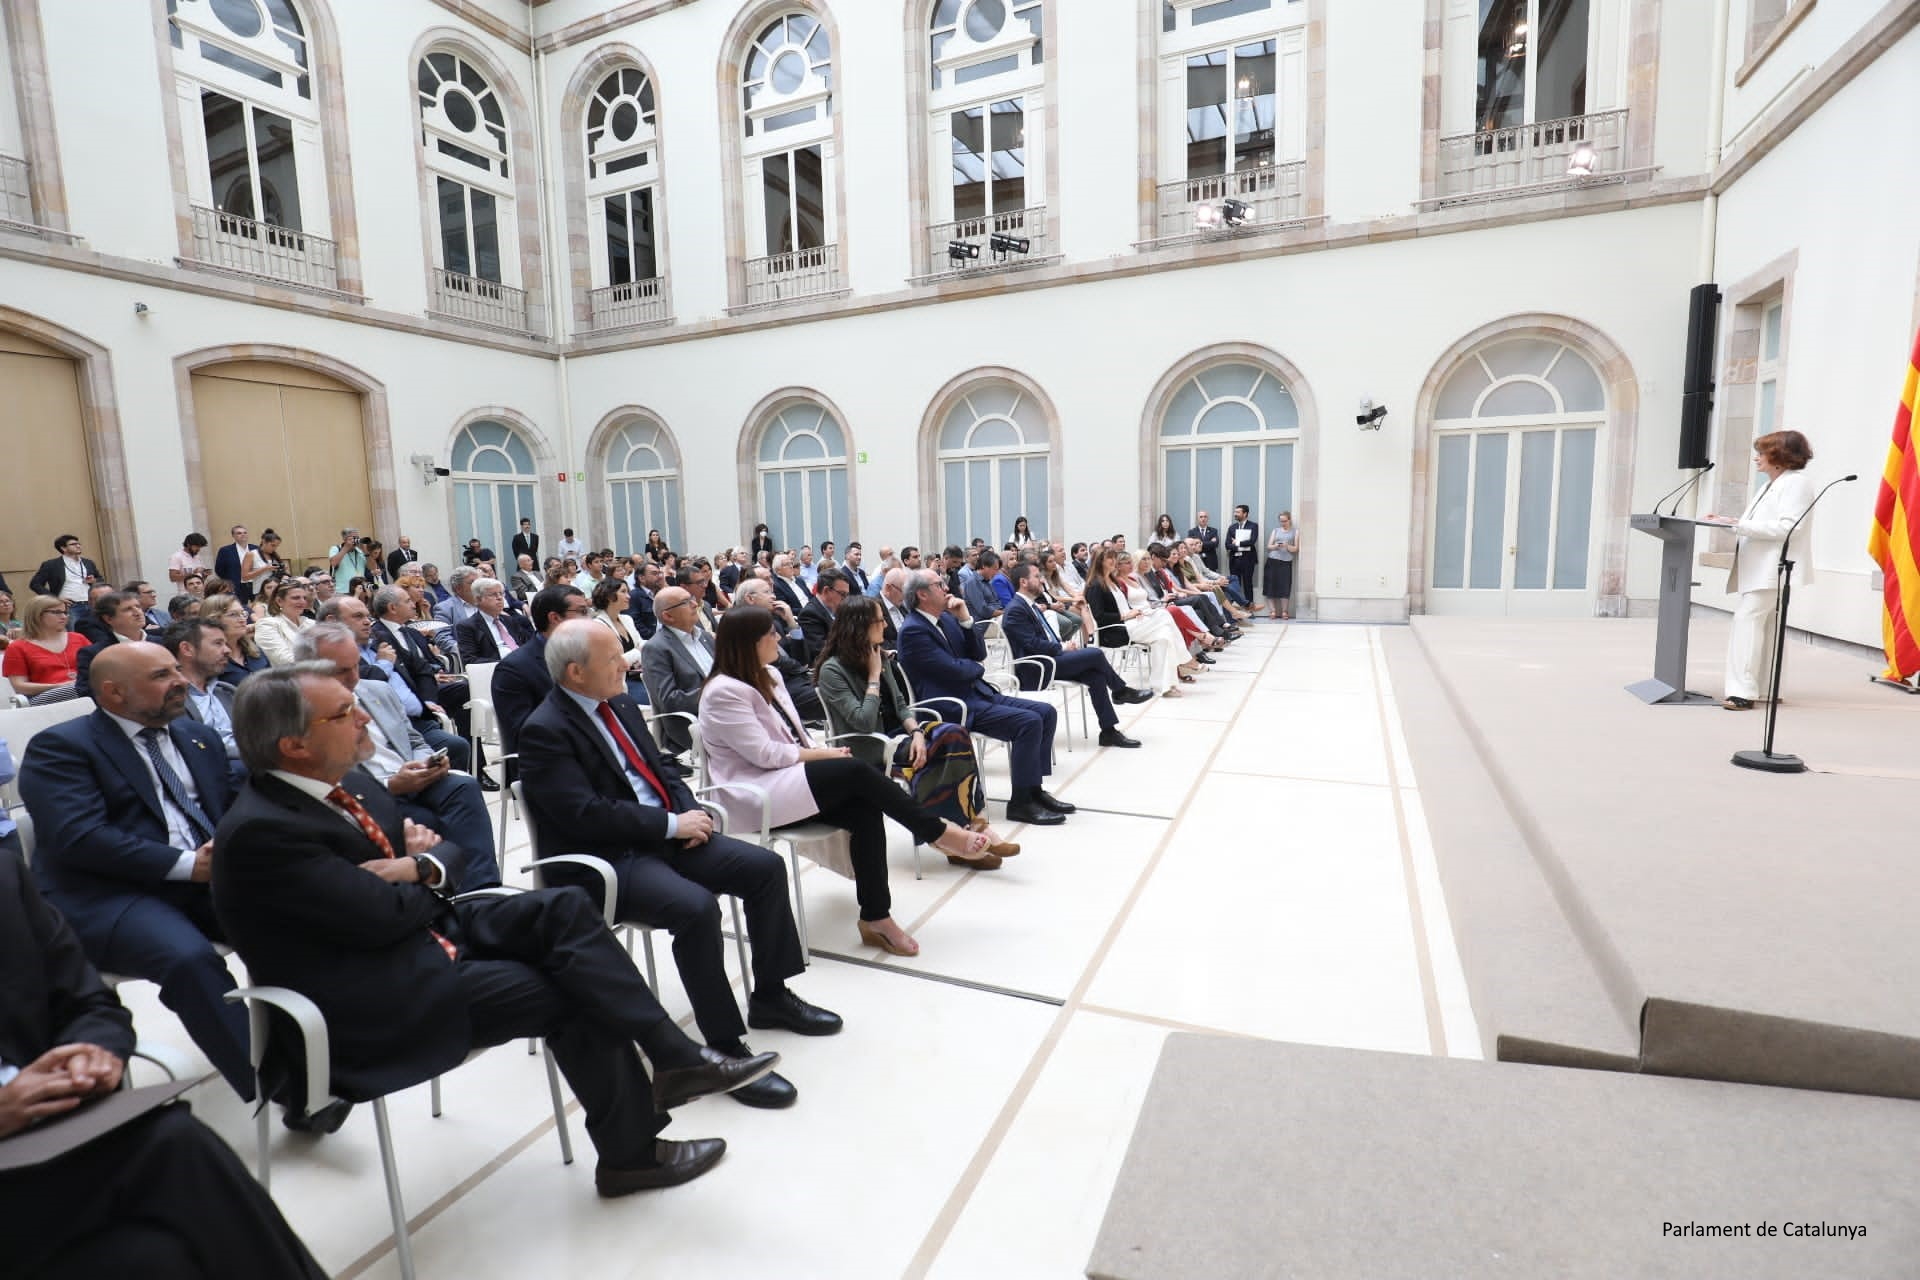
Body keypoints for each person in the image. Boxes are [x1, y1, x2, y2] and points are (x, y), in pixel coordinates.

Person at [212, 664, 775, 1192]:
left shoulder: (352, 784)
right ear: (294, 746)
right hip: (373, 993)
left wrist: (418, 870)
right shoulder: (265, 833)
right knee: (570, 990)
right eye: (342, 712)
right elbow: (383, 916)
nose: (363, 717)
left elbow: (449, 859)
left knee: (562, 909)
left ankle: (675, 1056)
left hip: (423, 934)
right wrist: (422, 870)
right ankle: (632, 1156)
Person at [520, 623, 840, 1107]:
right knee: (695, 909)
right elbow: (584, 815)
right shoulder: (545, 729)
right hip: (609, 856)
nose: (626, 665)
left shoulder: (621, 704)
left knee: (763, 869)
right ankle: (723, 1048)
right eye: (613, 658)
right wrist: (670, 826)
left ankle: (771, 995)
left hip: (662, 834)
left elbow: (663, 767)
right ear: (575, 671)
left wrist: (693, 811)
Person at [0, 852, 330, 1278]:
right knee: (173, 1150)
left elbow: (91, 1005)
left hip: (42, 1146)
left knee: (159, 1253)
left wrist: (88, 1053)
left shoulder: (4, 876)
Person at [17, 643, 251, 1097]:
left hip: (201, 879)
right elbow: (79, 838)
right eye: (161, 675)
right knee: (189, 959)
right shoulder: (62, 747)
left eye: (176, 670)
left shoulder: (193, 737)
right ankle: (282, 1086)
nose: (180, 681)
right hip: (109, 894)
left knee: (291, 916)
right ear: (115, 693)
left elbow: (227, 808)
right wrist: (188, 866)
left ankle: (322, 1045)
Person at [699, 608, 997, 957]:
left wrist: (821, 753)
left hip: (786, 777)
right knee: (854, 769)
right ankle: (938, 832)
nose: (779, 639)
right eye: (771, 634)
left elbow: (794, 737)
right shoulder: (723, 691)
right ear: (750, 643)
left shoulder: (769, 675)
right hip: (755, 793)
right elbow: (765, 754)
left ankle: (876, 916)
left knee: (864, 808)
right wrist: (823, 755)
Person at [813, 596, 1019, 860]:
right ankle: (954, 837)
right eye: (879, 620)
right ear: (859, 626)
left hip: (900, 737)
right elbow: (862, 721)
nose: (885, 624)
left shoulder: (879, 654)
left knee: (954, 733)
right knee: (941, 749)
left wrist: (917, 733)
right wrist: (874, 676)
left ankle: (970, 827)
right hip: (871, 746)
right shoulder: (834, 670)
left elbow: (900, 706)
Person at [296, 625, 498, 891]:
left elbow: (414, 739)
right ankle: (457, 895)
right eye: (341, 671)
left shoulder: (377, 689)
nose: (354, 677)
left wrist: (426, 762)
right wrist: (390, 785)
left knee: (463, 786)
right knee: (428, 821)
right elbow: (328, 775)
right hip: (369, 793)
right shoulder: (304, 710)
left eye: (357, 665)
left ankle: (483, 891)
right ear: (308, 670)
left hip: (412, 775)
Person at [894, 570, 1073, 828]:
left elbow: (977, 652)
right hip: (951, 706)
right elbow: (957, 669)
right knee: (1029, 722)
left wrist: (966, 619)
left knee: (1046, 712)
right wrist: (976, 667)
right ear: (922, 594)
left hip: (976, 693)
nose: (946, 587)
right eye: (939, 584)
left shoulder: (946, 618)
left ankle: (1034, 788)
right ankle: (1021, 801)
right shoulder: (913, 631)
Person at [1705, 429, 1820, 710]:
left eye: (1762, 452)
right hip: (1760, 568)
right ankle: (1766, 688)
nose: (1757, 459)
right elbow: (1764, 522)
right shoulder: (1772, 484)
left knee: (1748, 621)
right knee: (1765, 626)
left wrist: (1739, 526)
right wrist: (1730, 520)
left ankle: (1742, 692)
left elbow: (1789, 527)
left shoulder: (1795, 484)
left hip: (1772, 569)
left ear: (1779, 456)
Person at [1002, 562, 1148, 746]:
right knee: (1094, 654)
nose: (1041, 580)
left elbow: (1041, 638)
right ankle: (1120, 691)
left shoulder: (1028, 605)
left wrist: (1062, 645)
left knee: (1095, 676)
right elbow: (1031, 644)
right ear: (1023, 582)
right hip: (1036, 668)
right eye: (1037, 577)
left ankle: (1108, 732)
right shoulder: (1016, 609)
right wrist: (1062, 648)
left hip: (1050, 660)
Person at [1085, 547, 1196, 697]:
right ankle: (1185, 659)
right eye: (1109, 558)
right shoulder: (1095, 586)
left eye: (1113, 557)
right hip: (1114, 631)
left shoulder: (1112, 581)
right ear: (1100, 562)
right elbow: (1100, 617)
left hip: (1131, 624)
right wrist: (1125, 616)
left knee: (1164, 637)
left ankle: (1163, 687)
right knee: (1163, 615)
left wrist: (1135, 613)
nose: (1113, 561)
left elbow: (1124, 605)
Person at [640, 586, 713, 757]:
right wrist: (715, 691)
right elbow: (669, 700)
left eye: (692, 599)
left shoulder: (705, 637)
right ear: (667, 615)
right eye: (686, 602)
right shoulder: (656, 648)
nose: (695, 604)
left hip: (725, 708)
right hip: (693, 721)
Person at [73, 590, 156, 699]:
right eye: (128, 609)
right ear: (108, 619)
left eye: (138, 607)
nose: (138, 612)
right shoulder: (94, 653)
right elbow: (87, 692)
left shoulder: (163, 643)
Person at [4, 596, 88, 703]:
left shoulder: (78, 638)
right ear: (37, 615)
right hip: (45, 698)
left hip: (83, 692)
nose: (63, 616)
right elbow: (20, 686)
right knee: (80, 688)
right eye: (57, 612)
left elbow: (96, 669)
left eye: (65, 612)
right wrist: (58, 686)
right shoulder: (18, 647)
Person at [590, 577, 651, 701]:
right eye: (623, 592)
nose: (629, 596)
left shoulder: (627, 619)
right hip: (620, 681)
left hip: (639, 674)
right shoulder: (598, 626)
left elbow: (640, 643)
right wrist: (636, 653)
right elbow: (610, 664)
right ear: (609, 596)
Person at [457, 577, 535, 665]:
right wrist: (505, 664)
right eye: (493, 595)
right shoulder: (467, 626)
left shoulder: (509, 620)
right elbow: (470, 660)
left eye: (501, 594)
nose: (499, 598)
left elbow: (528, 644)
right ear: (478, 599)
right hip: (498, 670)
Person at [199, 594, 268, 684]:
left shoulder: (254, 650)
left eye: (243, 614)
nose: (242, 619)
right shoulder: (208, 660)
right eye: (233, 614)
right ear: (214, 620)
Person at [28, 535, 100, 619]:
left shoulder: (88, 562)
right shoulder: (52, 565)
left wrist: (94, 580)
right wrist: (55, 599)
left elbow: (100, 579)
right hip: (70, 606)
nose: (78, 546)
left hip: (91, 605)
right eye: (73, 544)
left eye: (78, 543)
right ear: (63, 548)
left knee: (93, 631)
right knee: (71, 632)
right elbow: (35, 584)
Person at [253, 577, 314, 668]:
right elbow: (286, 661)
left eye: (304, 598)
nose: (302, 602)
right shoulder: (267, 625)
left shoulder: (311, 623)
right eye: (296, 598)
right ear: (279, 601)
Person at [796, 565, 846, 664]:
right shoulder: (809, 614)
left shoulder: (836, 607)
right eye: (843, 594)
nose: (845, 599)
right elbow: (821, 651)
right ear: (826, 591)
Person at [1265, 511, 1299, 620]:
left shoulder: (1295, 532)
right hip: (1273, 560)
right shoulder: (1276, 531)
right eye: (1281, 521)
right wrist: (1276, 546)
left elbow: (1296, 549)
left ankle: (1285, 611)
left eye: (1285, 521)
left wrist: (1287, 546)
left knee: (1285, 586)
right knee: (1270, 585)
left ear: (1289, 520)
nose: (1283, 523)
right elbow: (1268, 546)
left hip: (1286, 562)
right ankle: (1273, 611)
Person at [1225, 504, 1259, 602]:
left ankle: (1250, 608)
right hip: (1234, 559)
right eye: (1235, 512)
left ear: (1245, 514)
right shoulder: (1232, 527)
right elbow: (1227, 545)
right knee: (1235, 584)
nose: (1235, 514)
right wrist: (1240, 545)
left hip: (1248, 559)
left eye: (1238, 512)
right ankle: (1237, 609)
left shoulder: (1253, 526)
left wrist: (1237, 542)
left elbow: (1252, 541)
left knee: (1248, 583)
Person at [326, 527, 366, 596]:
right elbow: (333, 563)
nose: (356, 540)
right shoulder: (336, 549)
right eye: (353, 538)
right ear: (345, 539)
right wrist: (346, 547)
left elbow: (372, 568)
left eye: (357, 537)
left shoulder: (360, 551)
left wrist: (365, 551)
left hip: (360, 590)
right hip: (343, 591)